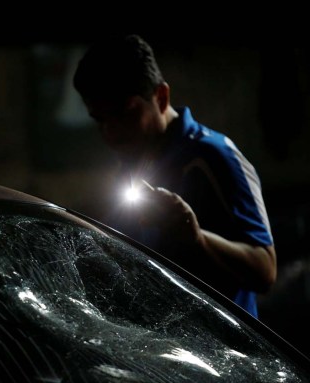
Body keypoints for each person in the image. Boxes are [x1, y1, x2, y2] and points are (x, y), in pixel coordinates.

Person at [72, 34, 276, 318]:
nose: (111, 134)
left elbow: (265, 270)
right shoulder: (132, 163)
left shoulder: (214, 156)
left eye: (125, 115)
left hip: (225, 354)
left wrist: (196, 237)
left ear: (161, 96)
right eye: (100, 121)